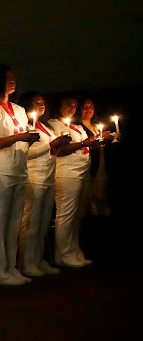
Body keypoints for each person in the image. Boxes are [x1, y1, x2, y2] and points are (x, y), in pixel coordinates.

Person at [0, 65, 40, 286]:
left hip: (20, 169)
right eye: (6, 78)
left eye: (13, 78)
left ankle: (10, 266)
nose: (11, 81)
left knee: (14, 221)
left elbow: (22, 138)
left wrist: (27, 139)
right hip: (0, 170)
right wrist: (18, 137)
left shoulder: (19, 110)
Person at [17, 91, 70, 277]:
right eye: (36, 102)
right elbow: (26, 153)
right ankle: (27, 262)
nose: (41, 105)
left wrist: (58, 143)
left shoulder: (45, 126)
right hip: (34, 176)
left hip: (49, 176)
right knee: (31, 222)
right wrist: (51, 145)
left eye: (42, 102)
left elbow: (52, 149)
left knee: (44, 222)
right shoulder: (25, 126)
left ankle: (39, 259)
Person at [48, 97, 104, 267]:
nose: (72, 108)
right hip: (67, 173)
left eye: (74, 106)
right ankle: (63, 253)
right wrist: (83, 143)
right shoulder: (54, 125)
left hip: (82, 172)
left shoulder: (78, 126)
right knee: (66, 214)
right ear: (59, 106)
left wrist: (97, 141)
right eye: (68, 105)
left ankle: (74, 249)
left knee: (77, 215)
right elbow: (60, 150)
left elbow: (84, 145)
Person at [78, 99, 113, 216]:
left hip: (101, 162)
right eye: (85, 107)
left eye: (91, 107)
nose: (88, 110)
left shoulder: (96, 126)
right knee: (91, 196)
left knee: (102, 193)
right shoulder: (78, 127)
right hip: (89, 164)